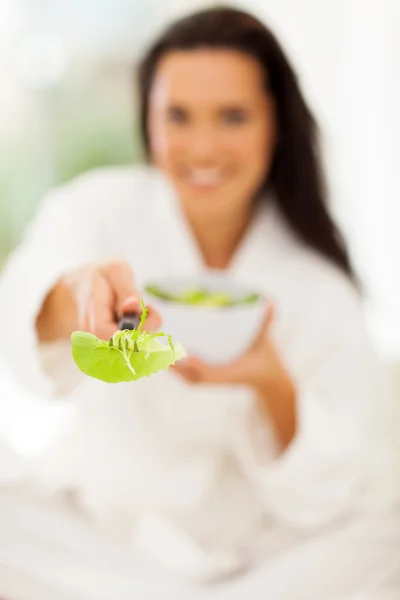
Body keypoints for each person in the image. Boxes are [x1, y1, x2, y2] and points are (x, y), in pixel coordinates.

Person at [0, 6, 399, 599]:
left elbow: (334, 492)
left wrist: (273, 386)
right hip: (93, 539)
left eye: (233, 117)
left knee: (386, 529)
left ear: (275, 126)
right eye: (178, 117)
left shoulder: (318, 284)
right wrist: (76, 297)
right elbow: (21, 329)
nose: (203, 147)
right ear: (148, 121)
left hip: (258, 562)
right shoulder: (96, 208)